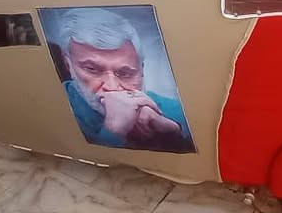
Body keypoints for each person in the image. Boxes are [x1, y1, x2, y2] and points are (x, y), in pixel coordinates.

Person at [52, 8, 194, 153]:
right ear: (68, 64)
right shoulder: (51, 108)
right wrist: (113, 130)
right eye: (92, 69)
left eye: (125, 73)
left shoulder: (177, 110)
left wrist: (174, 134)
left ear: (141, 70)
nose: (112, 87)